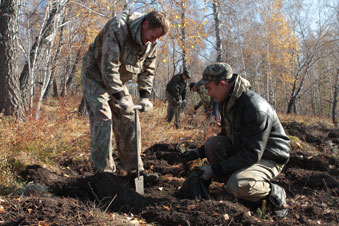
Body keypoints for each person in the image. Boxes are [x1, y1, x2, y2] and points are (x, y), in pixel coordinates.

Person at [182, 63, 290, 217]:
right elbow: (225, 135)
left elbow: (252, 154)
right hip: (247, 151)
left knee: (237, 184)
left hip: (269, 157)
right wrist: (198, 152)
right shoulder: (228, 102)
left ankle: (273, 192)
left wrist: (214, 170)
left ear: (222, 84)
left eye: (209, 88)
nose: (208, 93)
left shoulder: (254, 107)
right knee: (213, 144)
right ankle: (234, 184)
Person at [81, 10, 170, 182]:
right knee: (102, 118)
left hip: (118, 80)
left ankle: (134, 170)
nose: (154, 41)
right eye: (152, 36)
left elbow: (148, 70)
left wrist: (144, 96)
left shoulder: (152, 42)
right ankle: (104, 173)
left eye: (157, 38)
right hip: (95, 75)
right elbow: (109, 66)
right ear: (145, 25)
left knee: (130, 117)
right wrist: (120, 97)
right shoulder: (118, 27)